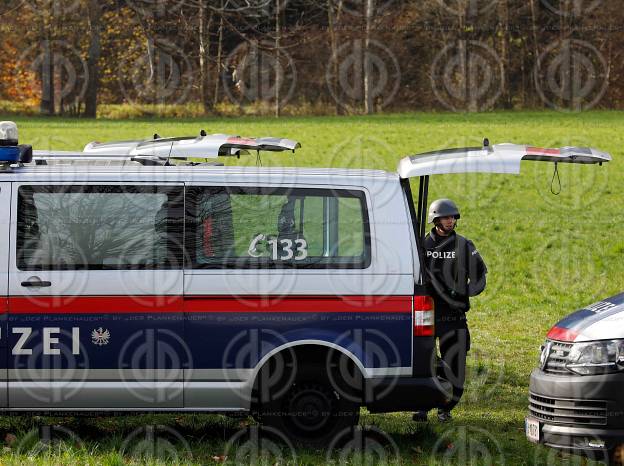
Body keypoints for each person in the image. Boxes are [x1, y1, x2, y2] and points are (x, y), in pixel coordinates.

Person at [414, 199, 487, 422]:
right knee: (424, 363)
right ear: (435, 219)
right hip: (426, 315)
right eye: (446, 217)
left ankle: (446, 408)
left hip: (454, 317)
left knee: (455, 365)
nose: (451, 221)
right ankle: (423, 406)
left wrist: (463, 291)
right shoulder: (421, 246)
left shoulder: (464, 245)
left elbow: (479, 276)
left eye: (453, 217)